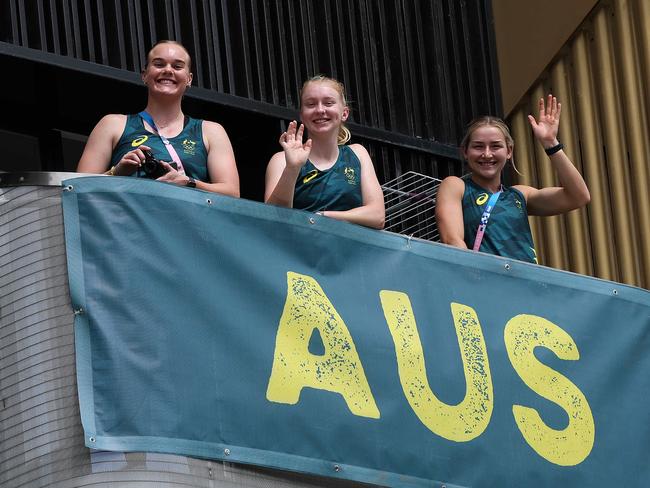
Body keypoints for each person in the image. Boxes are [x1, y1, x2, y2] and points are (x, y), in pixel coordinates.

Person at [435, 94, 590, 263]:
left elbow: (579, 196)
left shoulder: (520, 195)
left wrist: (550, 143)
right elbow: (453, 241)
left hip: (526, 285)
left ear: (509, 151)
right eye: (478, 146)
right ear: (465, 151)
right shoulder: (456, 186)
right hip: (484, 283)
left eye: (496, 146)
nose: (487, 154)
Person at [77, 40, 239, 196]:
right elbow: (77, 188)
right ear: (145, 75)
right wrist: (117, 172)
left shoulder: (210, 131)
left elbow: (232, 193)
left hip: (185, 222)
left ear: (189, 79)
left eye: (177, 66)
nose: (168, 70)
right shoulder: (112, 124)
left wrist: (188, 182)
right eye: (159, 64)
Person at [264, 75, 385, 229]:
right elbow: (270, 218)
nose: (320, 110)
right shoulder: (281, 160)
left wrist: (326, 217)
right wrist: (292, 168)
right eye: (311, 104)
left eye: (328, 103)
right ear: (302, 114)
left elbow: (377, 215)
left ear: (344, 113)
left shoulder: (358, 154)